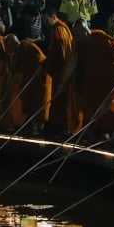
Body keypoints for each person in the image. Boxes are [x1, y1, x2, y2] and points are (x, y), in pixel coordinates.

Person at [65, 19, 114, 133]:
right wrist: (64, 82)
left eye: (79, 34)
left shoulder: (102, 39)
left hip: (107, 82)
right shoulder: (80, 44)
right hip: (91, 84)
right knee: (92, 109)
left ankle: (109, 133)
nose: (77, 37)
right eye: (76, 34)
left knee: (107, 110)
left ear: (85, 30)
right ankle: (98, 132)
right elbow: (75, 63)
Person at [4, 33, 51, 135]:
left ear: (13, 44)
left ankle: (40, 130)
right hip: (29, 83)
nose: (8, 51)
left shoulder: (28, 47)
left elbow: (41, 62)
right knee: (29, 106)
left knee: (39, 106)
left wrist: (37, 71)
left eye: (8, 47)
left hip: (39, 81)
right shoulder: (17, 53)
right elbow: (15, 71)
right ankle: (34, 128)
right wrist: (9, 87)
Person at [42, 7, 76, 135]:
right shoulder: (64, 29)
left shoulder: (58, 30)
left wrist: (47, 64)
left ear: (53, 16)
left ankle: (58, 127)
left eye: (46, 19)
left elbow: (59, 53)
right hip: (64, 69)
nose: (46, 23)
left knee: (59, 100)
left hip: (61, 70)